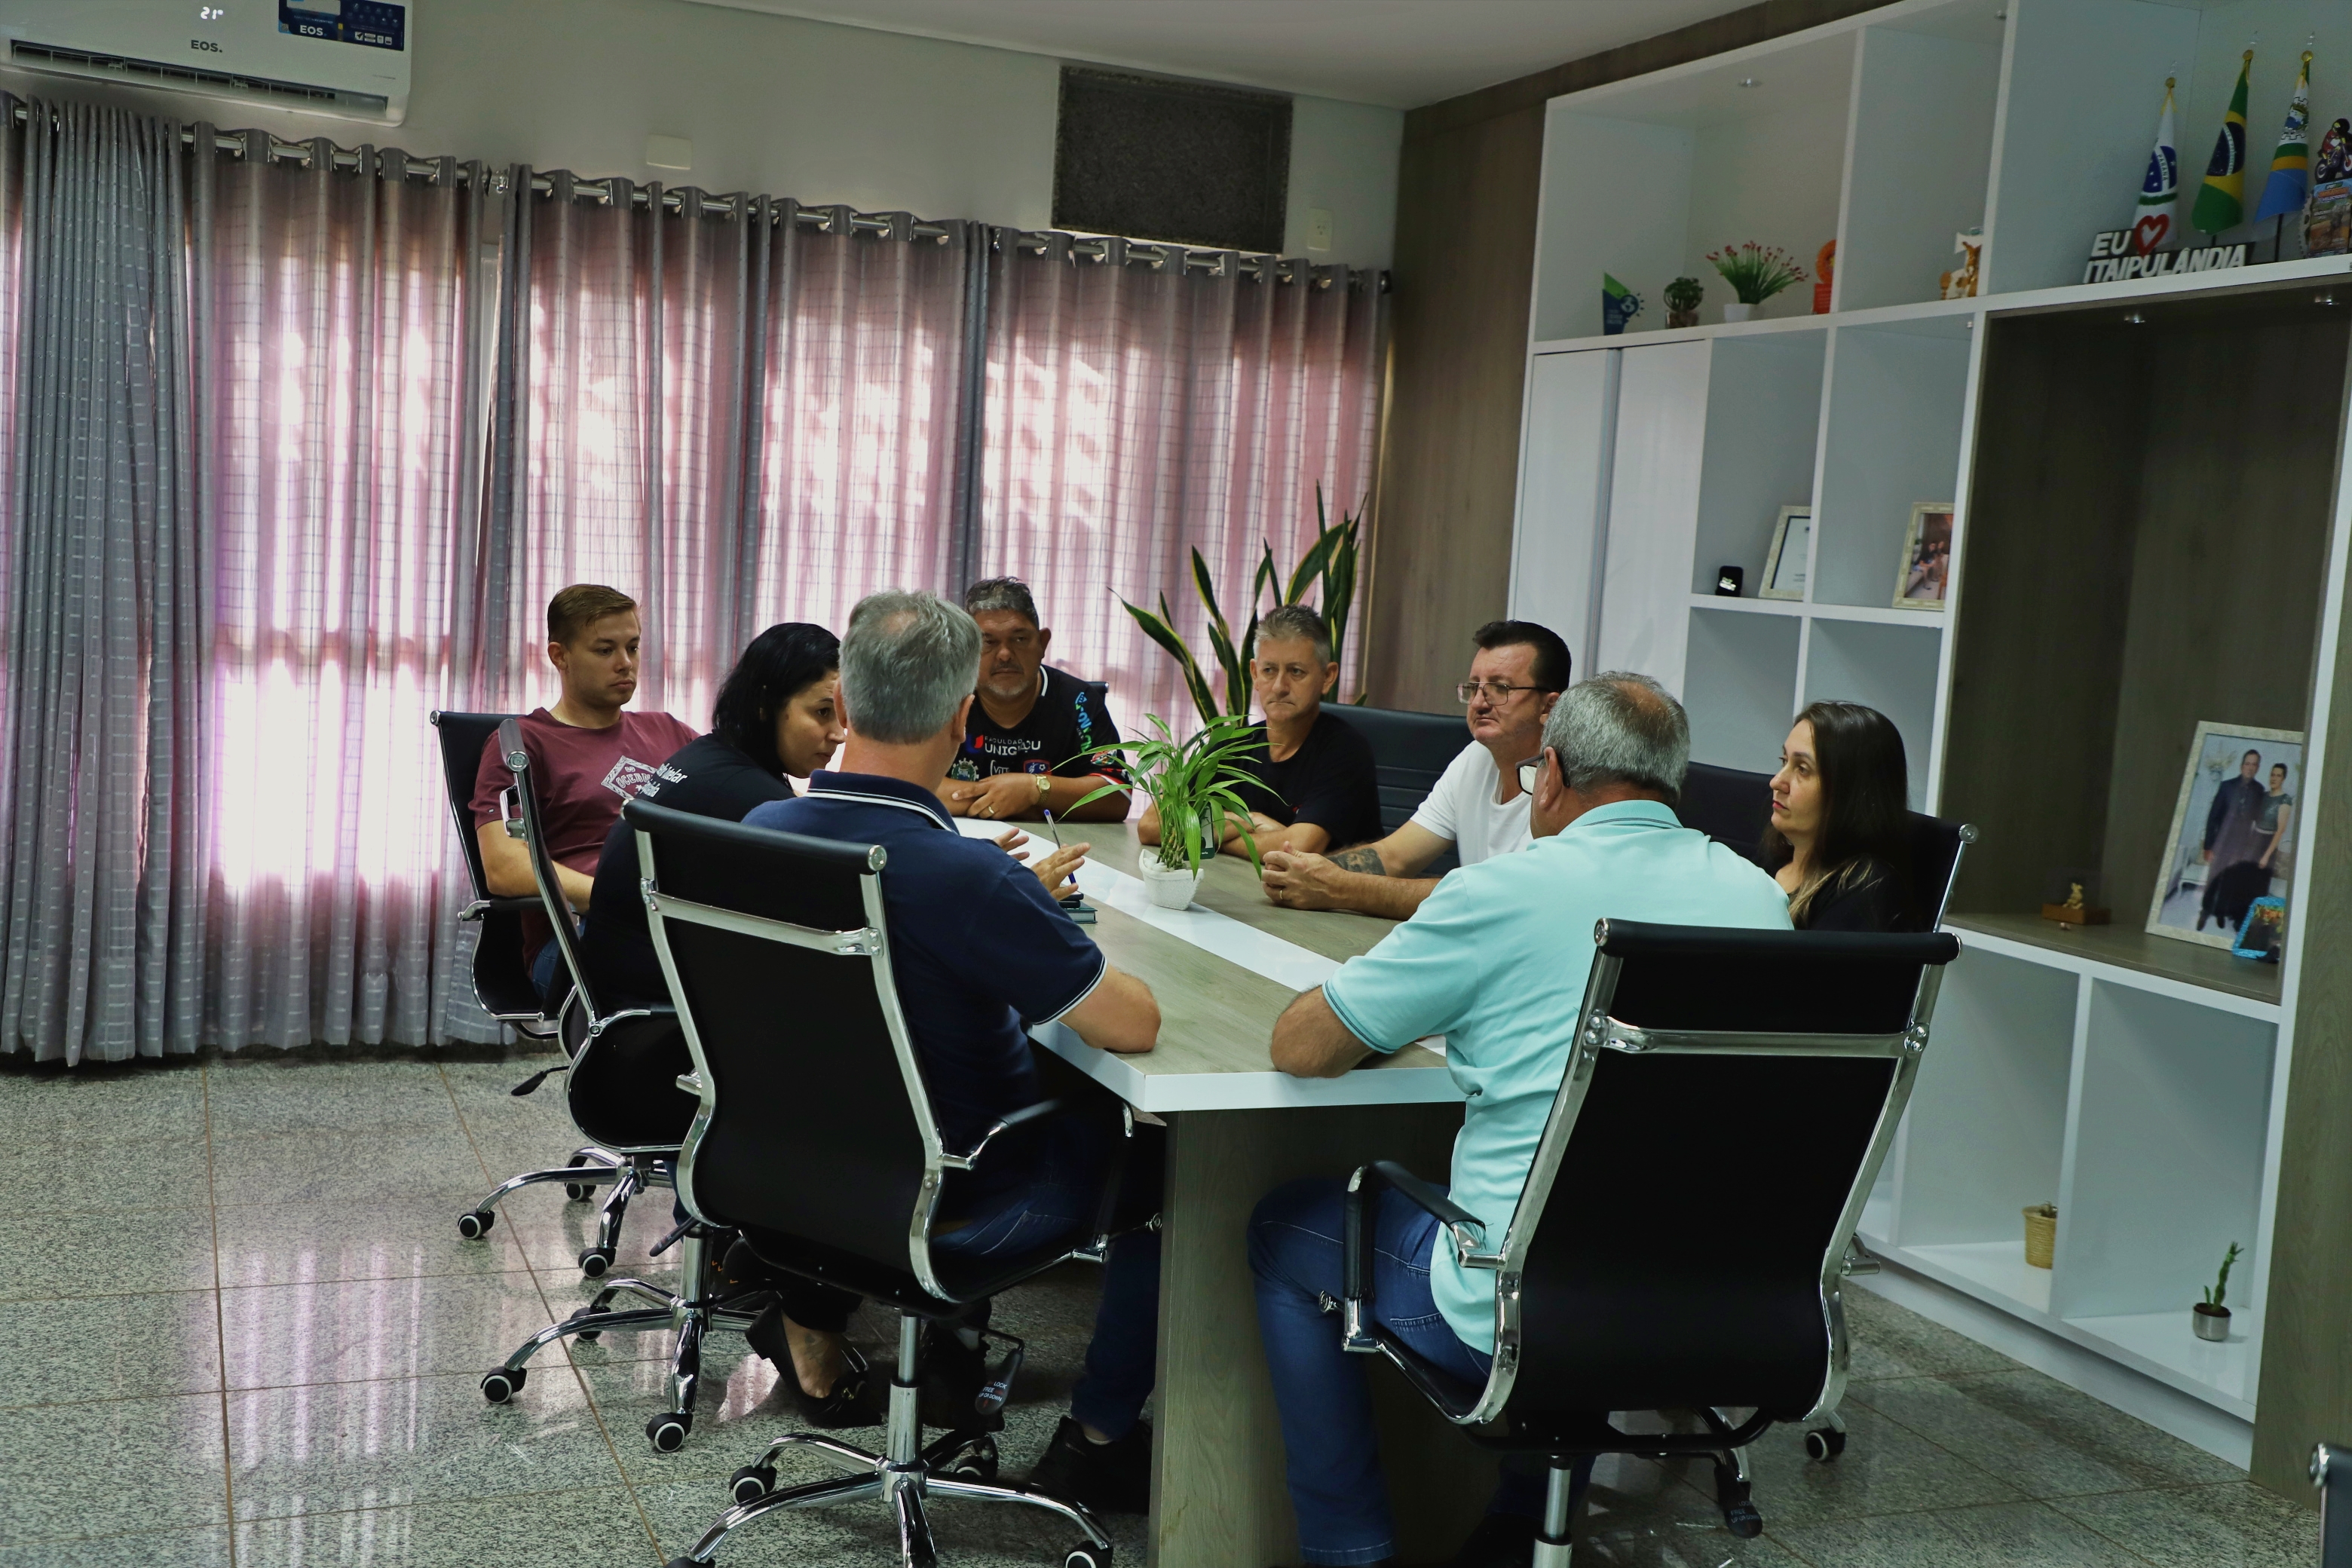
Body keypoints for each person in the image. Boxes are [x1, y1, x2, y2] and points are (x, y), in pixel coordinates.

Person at [1246, 673, 1792, 1568]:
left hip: (1513, 1315)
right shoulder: (1759, 900)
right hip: (1709, 1304)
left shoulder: (1499, 891)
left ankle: (1352, 1553)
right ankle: (1518, 1526)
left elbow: (1303, 1047)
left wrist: (1401, 1001)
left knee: (1284, 1230)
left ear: (1552, 774)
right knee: (1604, 1216)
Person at [743, 589, 1166, 1514]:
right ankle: (1098, 1438)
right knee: (1172, 1166)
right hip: (957, 1191)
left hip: (787, 1175)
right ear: (963, 715)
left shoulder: (761, 833)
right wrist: (1022, 915)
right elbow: (1133, 1025)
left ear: (844, 706)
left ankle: (950, 1348)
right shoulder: (969, 874)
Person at [574, 622, 844, 1009]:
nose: (839, 733)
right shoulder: (754, 803)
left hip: (615, 991)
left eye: (841, 713)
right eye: (822, 712)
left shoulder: (708, 756)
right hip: (660, 1008)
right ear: (765, 705)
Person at [468, 584, 698, 1002]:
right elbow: (503, 867)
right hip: (576, 941)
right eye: (605, 650)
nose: (625, 663)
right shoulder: (522, 744)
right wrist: (618, 902)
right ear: (560, 656)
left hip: (674, 921)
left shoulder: (670, 731)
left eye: (633, 647)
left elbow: (737, 799)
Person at [1259, 620, 1570, 918]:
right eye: (1474, 687)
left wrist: (1338, 887)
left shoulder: (1572, 788)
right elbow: (1393, 856)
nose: (1478, 703)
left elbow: (1491, 898)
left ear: (1549, 706)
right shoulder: (1475, 757)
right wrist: (1304, 872)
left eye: (1500, 688)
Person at [1141, 602, 1381, 857]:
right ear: (1254, 674)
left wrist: (1209, 836)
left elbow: (1299, 848)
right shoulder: (1230, 746)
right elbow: (1150, 826)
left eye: (1296, 672)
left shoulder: (1345, 751)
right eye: (1269, 670)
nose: (1279, 687)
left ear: (1328, 676)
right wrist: (1246, 821)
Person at [940, 577, 1132, 825]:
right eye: (988, 642)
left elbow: (1117, 795)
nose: (1005, 654)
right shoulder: (944, 697)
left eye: (1019, 639)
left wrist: (1035, 790)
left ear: (1042, 643)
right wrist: (1016, 803)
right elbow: (911, 782)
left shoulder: (1080, 700)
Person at [1764, 700, 1914, 932]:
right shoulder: (1769, 862)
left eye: (1802, 769)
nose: (1776, 782)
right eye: (1784, 761)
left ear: (1851, 792)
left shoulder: (1862, 890)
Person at [2200, 749, 2267, 930]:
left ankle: (2221, 913)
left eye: (2254, 764)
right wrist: (2208, 846)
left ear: (2258, 768)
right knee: (2213, 878)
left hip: (2241, 846)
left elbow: (2258, 820)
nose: (2250, 767)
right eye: (2247, 763)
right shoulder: (2226, 786)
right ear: (2241, 766)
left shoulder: (2259, 790)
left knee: (2230, 882)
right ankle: (2205, 912)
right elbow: (2213, 817)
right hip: (2221, 843)